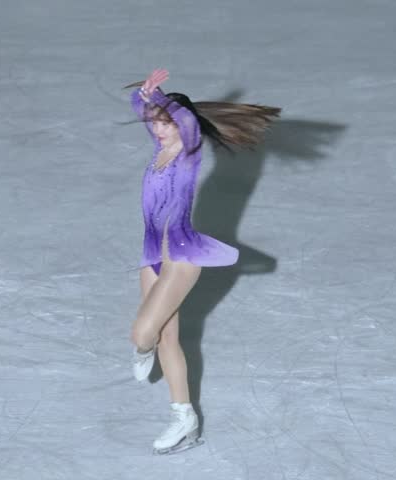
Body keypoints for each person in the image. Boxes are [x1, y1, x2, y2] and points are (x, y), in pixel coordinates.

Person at [125, 68, 280, 454]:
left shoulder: (187, 152)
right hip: (151, 253)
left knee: (144, 335)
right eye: (154, 123)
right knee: (167, 337)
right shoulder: (160, 148)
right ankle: (185, 420)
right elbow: (142, 110)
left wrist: (160, 100)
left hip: (180, 256)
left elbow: (185, 121)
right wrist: (146, 96)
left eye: (166, 123)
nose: (159, 129)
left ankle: (144, 348)